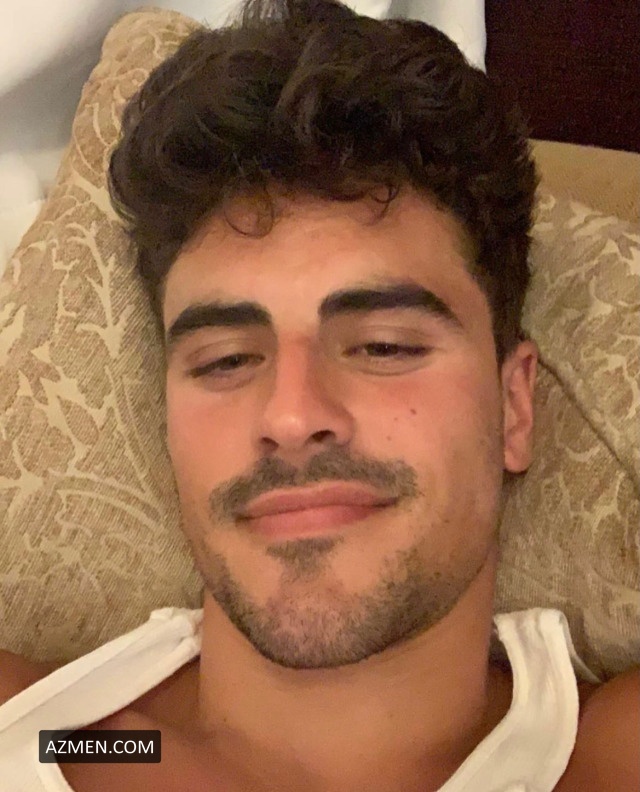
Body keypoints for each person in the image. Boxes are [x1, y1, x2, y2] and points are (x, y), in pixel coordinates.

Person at [0, 0, 638, 789]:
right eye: (228, 360)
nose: (293, 415)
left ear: (514, 406)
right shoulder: (58, 739)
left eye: (383, 347)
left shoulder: (605, 760)